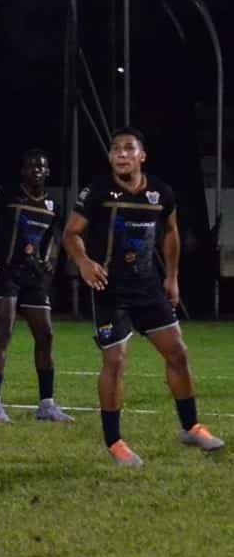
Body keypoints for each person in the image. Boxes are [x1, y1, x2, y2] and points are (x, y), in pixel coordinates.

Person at [63, 126, 224, 466]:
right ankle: (114, 442)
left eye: (128, 148)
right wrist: (83, 262)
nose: (121, 154)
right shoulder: (96, 191)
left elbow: (171, 232)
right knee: (116, 361)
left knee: (178, 353)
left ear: (142, 155)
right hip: (109, 289)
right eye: (115, 149)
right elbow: (72, 233)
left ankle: (191, 426)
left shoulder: (161, 193)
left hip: (148, 287)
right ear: (110, 157)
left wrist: (172, 277)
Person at [0, 149, 73, 423]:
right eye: (31, 167)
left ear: (48, 171)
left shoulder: (53, 204)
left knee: (46, 335)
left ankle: (47, 405)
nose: (36, 171)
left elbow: (54, 235)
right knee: (3, 334)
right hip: (6, 274)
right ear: (23, 171)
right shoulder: (6, 194)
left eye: (41, 167)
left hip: (34, 276)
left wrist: (50, 257)